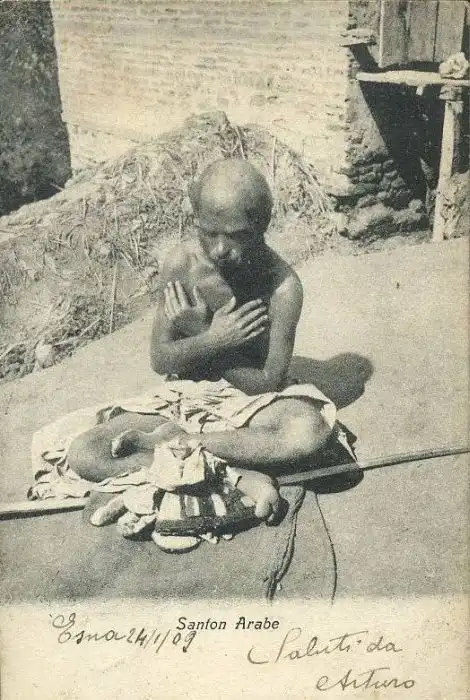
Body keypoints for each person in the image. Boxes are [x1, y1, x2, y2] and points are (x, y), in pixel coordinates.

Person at [67, 159, 337, 522]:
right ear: (197, 221)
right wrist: (212, 339)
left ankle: (176, 453)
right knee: (84, 452)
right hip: (183, 398)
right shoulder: (183, 264)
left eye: (236, 235)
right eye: (209, 233)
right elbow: (161, 360)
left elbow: (267, 383)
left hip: (251, 405)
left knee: (309, 432)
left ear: (261, 226)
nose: (221, 248)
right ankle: (235, 474)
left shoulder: (283, 287)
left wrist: (206, 336)